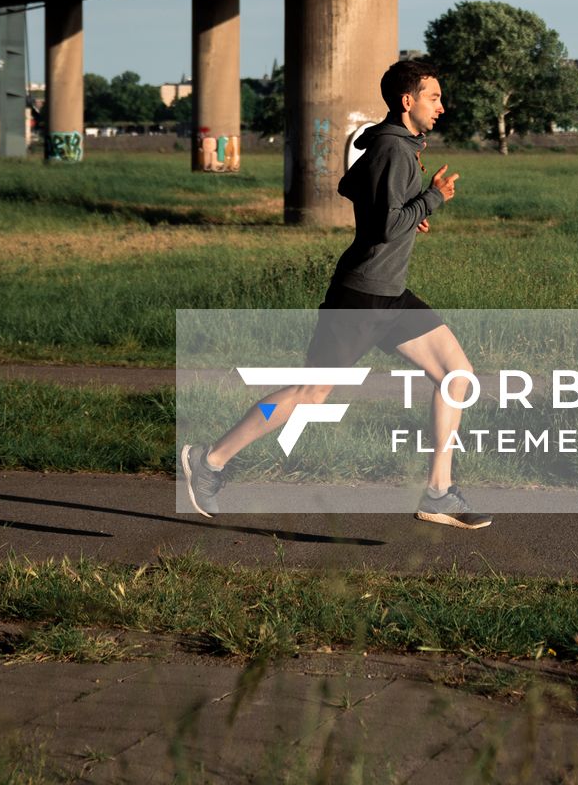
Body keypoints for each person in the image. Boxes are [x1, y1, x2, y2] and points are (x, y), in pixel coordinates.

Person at [181, 57, 491, 529]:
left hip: (390, 295)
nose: (441, 107)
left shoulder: (395, 144)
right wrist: (430, 200)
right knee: (310, 392)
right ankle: (210, 459)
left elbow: (352, 185)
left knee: (457, 375)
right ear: (408, 101)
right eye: (434, 97)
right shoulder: (394, 151)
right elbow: (386, 223)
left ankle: (439, 491)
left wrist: (405, 209)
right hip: (360, 298)